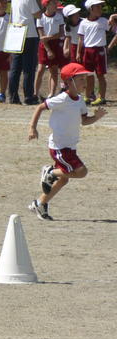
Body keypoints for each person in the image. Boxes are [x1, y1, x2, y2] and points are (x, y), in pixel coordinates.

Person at [28, 62, 106, 220]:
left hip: (70, 147)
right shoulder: (61, 99)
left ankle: (40, 203)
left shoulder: (80, 100)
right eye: (81, 79)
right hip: (59, 147)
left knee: (64, 179)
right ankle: (49, 172)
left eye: (85, 78)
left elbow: (84, 121)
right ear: (69, 81)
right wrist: (32, 128)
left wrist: (96, 117)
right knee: (82, 172)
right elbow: (40, 107)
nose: (85, 82)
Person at [8, 0, 43, 105]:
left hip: (16, 31)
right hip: (29, 34)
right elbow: (38, 14)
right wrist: (40, 0)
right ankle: (28, 96)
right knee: (29, 67)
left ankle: (13, 96)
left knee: (15, 67)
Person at [76, 0, 117, 106]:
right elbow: (81, 39)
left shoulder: (103, 21)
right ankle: (87, 96)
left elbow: (115, 30)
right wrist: (78, 52)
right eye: (97, 7)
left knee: (100, 75)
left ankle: (101, 97)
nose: (100, 9)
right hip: (87, 51)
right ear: (91, 9)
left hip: (100, 51)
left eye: (100, 6)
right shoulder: (83, 23)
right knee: (88, 75)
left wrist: (113, 18)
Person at [34, 0, 65, 99]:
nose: (56, 4)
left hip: (56, 44)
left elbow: (61, 33)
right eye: (53, 2)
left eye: (56, 2)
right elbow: (41, 36)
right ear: (47, 4)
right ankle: (35, 93)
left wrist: (49, 37)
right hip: (44, 45)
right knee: (40, 69)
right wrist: (48, 50)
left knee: (54, 70)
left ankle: (51, 94)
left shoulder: (59, 17)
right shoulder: (40, 17)